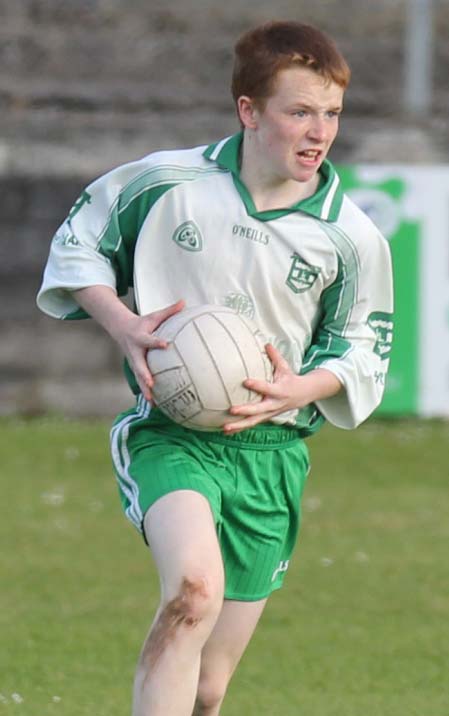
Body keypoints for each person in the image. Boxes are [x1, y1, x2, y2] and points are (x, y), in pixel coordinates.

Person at [37, 19, 394, 716]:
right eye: (298, 111)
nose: (318, 131)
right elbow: (78, 244)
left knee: (208, 686)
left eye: (330, 114)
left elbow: (362, 347)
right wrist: (124, 327)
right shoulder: (167, 182)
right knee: (192, 593)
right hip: (170, 433)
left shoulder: (349, 235)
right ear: (249, 112)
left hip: (270, 452)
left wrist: (300, 387)